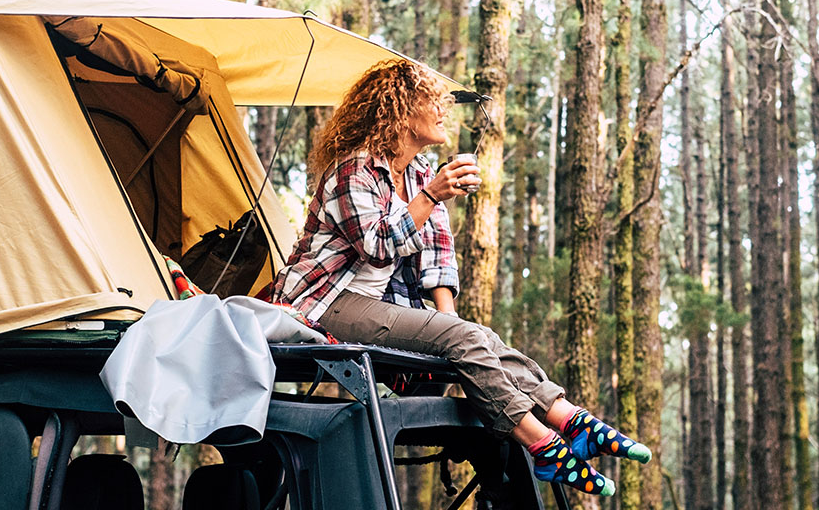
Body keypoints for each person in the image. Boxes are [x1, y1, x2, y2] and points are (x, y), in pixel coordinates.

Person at [271, 60, 650, 497]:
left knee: (474, 336)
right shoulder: (352, 171)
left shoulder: (417, 173)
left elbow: (437, 251)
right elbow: (375, 245)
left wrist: (450, 325)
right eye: (433, 101)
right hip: (323, 304)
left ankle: (568, 418)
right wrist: (432, 196)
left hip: (376, 305)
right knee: (462, 336)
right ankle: (542, 444)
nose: (444, 110)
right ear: (400, 110)